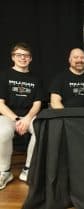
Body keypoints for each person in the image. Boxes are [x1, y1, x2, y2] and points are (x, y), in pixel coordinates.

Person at [0, 42, 43, 189]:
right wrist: (17, 120)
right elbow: (0, 104)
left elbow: (37, 104)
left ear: (30, 59)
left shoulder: (36, 79)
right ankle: (4, 172)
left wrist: (27, 118)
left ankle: (28, 169)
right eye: (19, 55)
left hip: (28, 117)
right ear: (13, 57)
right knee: (2, 133)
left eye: (26, 55)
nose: (23, 58)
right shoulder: (4, 76)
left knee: (40, 129)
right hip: (9, 116)